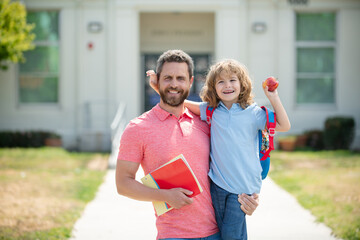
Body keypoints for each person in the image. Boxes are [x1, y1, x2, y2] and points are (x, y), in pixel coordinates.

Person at [116, 50, 259, 240]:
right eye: (168, 78)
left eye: (180, 78)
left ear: (190, 82)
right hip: (173, 234)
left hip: (217, 232)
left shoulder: (208, 122)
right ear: (157, 81)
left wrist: (250, 197)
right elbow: (123, 184)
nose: (174, 84)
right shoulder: (138, 128)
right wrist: (165, 195)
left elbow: (238, 157)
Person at [147, 58, 291, 240]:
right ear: (213, 88)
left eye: (232, 80)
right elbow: (180, 102)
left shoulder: (253, 113)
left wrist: (273, 96)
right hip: (217, 185)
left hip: (241, 189)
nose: (227, 85)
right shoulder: (212, 111)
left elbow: (284, 125)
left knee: (232, 235)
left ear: (242, 84)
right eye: (221, 82)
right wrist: (158, 88)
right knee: (220, 232)